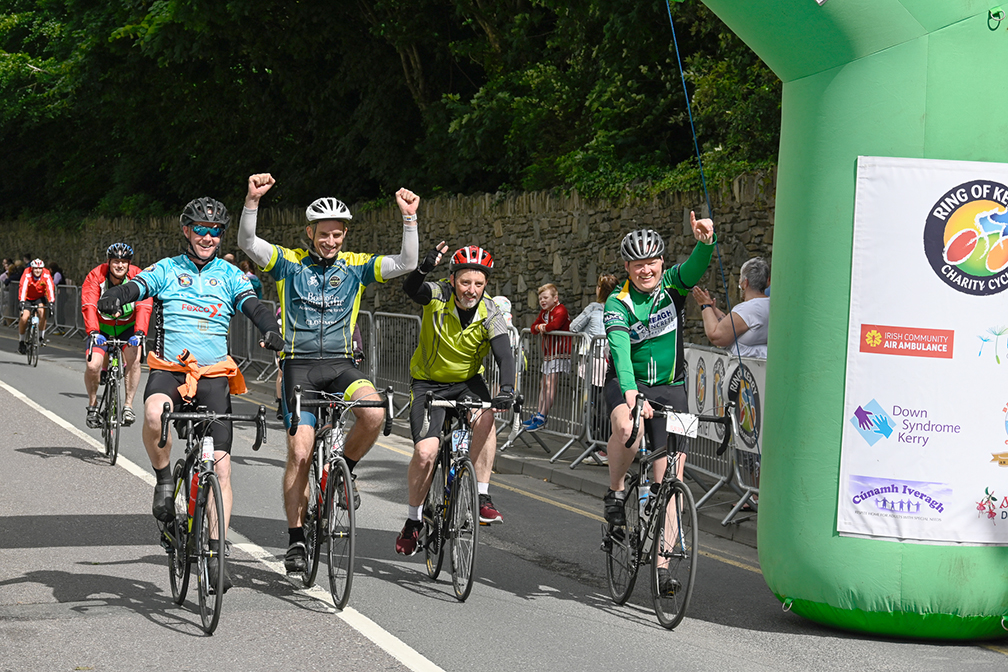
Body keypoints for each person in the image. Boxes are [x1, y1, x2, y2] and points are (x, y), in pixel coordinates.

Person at [97, 197, 284, 593]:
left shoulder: (230, 274)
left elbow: (254, 306)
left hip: (214, 375)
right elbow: (138, 285)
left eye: (215, 231)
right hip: (170, 370)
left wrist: (269, 328)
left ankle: (216, 552)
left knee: (222, 469)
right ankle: (165, 480)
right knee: (154, 414)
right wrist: (118, 296)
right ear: (186, 230)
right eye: (200, 228)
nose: (207, 236)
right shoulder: (168, 268)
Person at [237, 173, 420, 575]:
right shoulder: (289, 263)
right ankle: (296, 539)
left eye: (337, 234)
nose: (331, 241)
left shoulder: (356, 267)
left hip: (340, 364)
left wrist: (409, 218)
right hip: (299, 366)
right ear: (310, 233)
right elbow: (248, 242)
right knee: (301, 453)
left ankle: (345, 469)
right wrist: (252, 202)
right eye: (324, 234)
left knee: (373, 411)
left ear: (344, 235)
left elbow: (407, 263)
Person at [602, 212, 716, 566]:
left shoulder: (672, 285)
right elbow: (620, 351)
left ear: (661, 261)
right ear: (627, 267)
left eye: (651, 262)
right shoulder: (617, 302)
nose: (645, 270)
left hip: (672, 388)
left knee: (671, 479)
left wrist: (705, 243)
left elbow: (694, 269)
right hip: (627, 383)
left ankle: (663, 567)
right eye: (638, 264)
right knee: (628, 429)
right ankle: (616, 492)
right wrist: (631, 393)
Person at [394, 243, 517, 555]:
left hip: (467, 383)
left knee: (486, 417)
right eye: (465, 282)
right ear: (453, 280)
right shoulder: (439, 294)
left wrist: (507, 389)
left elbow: (504, 354)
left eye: (478, 283)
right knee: (426, 453)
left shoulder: (491, 311)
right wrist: (423, 268)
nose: (471, 290)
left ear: (485, 284)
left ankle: (482, 495)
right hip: (428, 383)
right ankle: (413, 521)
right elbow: (412, 289)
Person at [81, 243, 153, 428]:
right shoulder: (96, 275)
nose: (120, 265)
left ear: (129, 264)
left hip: (127, 327)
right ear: (108, 262)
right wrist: (93, 331)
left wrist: (140, 332)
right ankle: (92, 405)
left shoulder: (138, 276)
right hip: (102, 328)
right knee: (93, 365)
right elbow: (89, 304)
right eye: (115, 261)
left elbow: (144, 306)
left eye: (124, 262)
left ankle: (128, 406)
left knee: (134, 359)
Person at [571, 274, 618, 459]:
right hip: (613, 362)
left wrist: (586, 334)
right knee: (609, 404)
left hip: (594, 363)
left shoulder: (594, 308)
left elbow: (573, 327)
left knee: (597, 406)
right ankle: (603, 444)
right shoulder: (622, 308)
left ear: (600, 290)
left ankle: (603, 447)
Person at [691, 257, 770, 358]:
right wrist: (713, 310)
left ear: (745, 283)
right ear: (768, 281)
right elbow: (731, 328)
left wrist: (705, 305)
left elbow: (716, 336)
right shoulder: (773, 305)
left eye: (740, 278)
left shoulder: (747, 309)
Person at [522, 283, 570, 431]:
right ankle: (538, 414)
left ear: (555, 298)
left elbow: (555, 325)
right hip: (549, 354)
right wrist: (539, 327)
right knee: (543, 384)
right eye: (540, 298)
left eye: (545, 297)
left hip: (559, 353)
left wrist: (544, 327)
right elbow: (533, 328)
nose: (542, 301)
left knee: (550, 384)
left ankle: (542, 416)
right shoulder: (544, 313)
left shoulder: (561, 310)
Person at [17, 259, 55, 353]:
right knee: (24, 318)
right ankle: (21, 341)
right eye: (35, 268)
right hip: (27, 297)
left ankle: (41, 337)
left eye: (40, 268)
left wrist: (51, 302)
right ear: (32, 268)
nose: (38, 270)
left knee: (42, 312)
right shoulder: (27, 273)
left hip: (39, 297)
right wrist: (22, 301)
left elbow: (50, 288)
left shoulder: (46, 274)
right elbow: (23, 287)